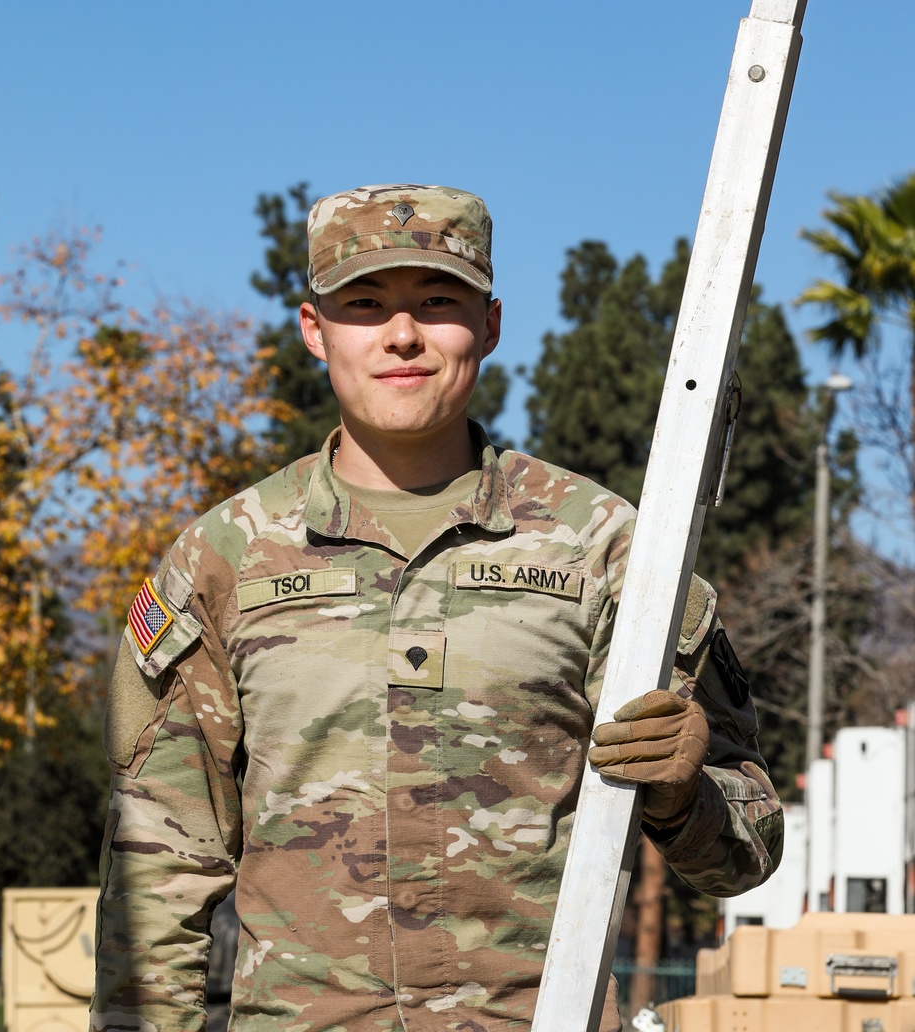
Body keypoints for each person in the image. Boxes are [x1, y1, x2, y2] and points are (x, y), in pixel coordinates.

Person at [91, 184, 783, 1032]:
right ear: (315, 331)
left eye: (437, 301)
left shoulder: (609, 549)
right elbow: (159, 866)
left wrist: (686, 794)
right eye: (366, 304)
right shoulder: (223, 558)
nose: (403, 333)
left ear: (489, 325)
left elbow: (748, 855)